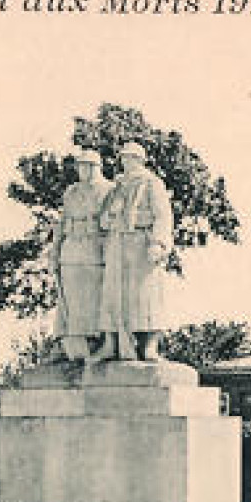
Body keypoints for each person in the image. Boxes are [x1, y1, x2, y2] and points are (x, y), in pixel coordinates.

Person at [90, 141, 173, 363]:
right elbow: (104, 219)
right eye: (123, 158)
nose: (126, 162)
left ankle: (150, 347)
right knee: (112, 295)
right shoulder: (117, 186)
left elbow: (163, 216)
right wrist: (110, 217)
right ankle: (110, 344)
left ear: (140, 159)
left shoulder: (152, 183)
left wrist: (159, 243)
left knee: (146, 296)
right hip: (117, 243)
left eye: (130, 157)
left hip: (141, 244)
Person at [47, 150, 112, 361]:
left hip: (95, 247)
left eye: (89, 165)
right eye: (81, 166)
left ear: (97, 167)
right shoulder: (71, 192)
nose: (84, 170)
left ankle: (96, 343)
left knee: (94, 299)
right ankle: (68, 344)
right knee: (69, 300)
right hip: (71, 247)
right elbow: (62, 222)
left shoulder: (108, 190)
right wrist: (55, 251)